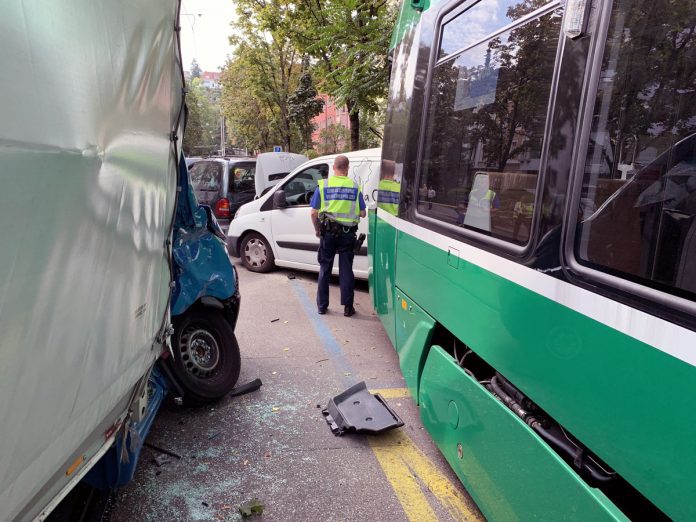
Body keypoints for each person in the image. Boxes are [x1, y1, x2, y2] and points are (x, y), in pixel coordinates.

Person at [310, 155, 366, 317]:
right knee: (346, 270)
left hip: (328, 233)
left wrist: (317, 229)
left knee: (325, 268)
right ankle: (348, 308)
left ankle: (322, 306)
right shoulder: (355, 187)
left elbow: (313, 212)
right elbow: (362, 213)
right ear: (347, 169)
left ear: (334, 168)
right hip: (347, 235)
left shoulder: (323, 185)